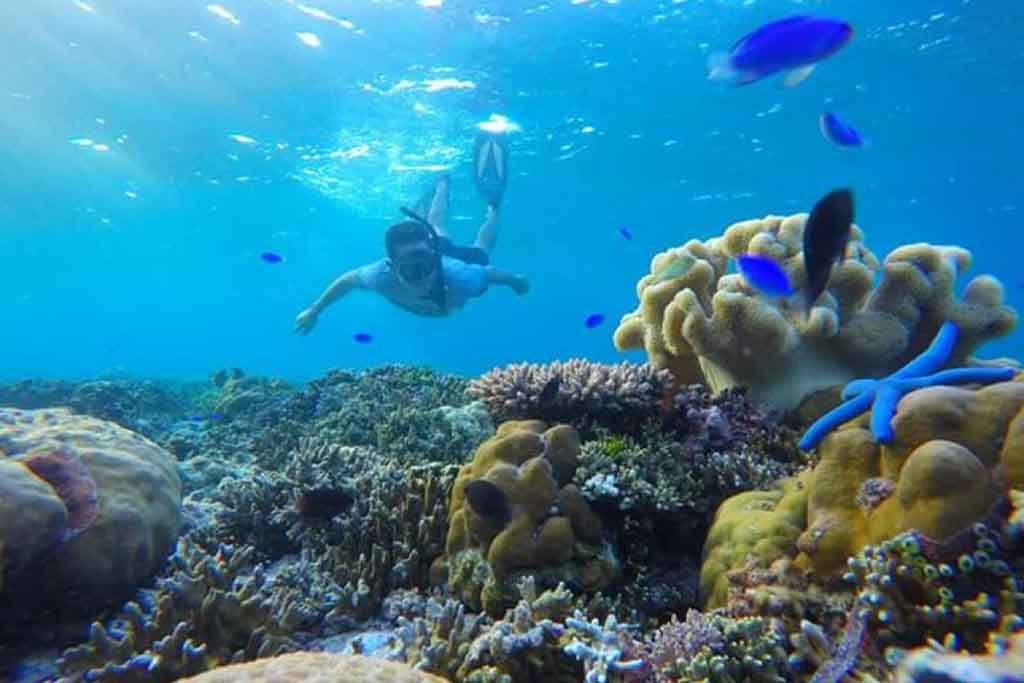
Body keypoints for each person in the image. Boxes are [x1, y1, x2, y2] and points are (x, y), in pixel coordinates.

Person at [294, 134, 527, 333]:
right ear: (392, 266)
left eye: (424, 266)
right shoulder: (380, 276)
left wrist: (516, 281)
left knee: (480, 246)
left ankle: (492, 207)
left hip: (445, 257)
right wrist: (315, 310)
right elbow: (348, 280)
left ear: (433, 258)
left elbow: (490, 273)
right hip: (435, 252)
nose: (421, 276)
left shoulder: (461, 277)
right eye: (410, 268)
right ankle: (442, 184)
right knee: (436, 226)